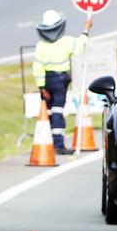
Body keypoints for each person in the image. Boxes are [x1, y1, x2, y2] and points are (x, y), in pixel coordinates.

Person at [33, 9, 92, 155]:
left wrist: (41, 87)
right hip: (60, 81)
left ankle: (47, 142)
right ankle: (58, 144)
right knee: (58, 111)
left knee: (47, 113)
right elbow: (80, 47)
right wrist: (86, 30)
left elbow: (37, 67)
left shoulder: (41, 45)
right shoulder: (66, 41)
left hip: (46, 80)